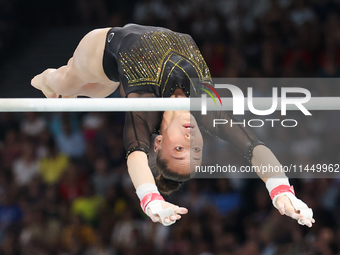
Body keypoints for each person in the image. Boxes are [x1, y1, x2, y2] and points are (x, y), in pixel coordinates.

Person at [31, 24, 315, 227]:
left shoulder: (145, 106)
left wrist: (150, 198)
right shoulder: (207, 109)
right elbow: (254, 147)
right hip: (123, 68)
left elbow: (135, 155)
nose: (191, 143)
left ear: (158, 142)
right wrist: (281, 191)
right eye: (196, 152)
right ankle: (66, 88)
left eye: (179, 149)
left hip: (102, 50)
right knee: (94, 90)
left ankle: (47, 81)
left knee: (64, 83)